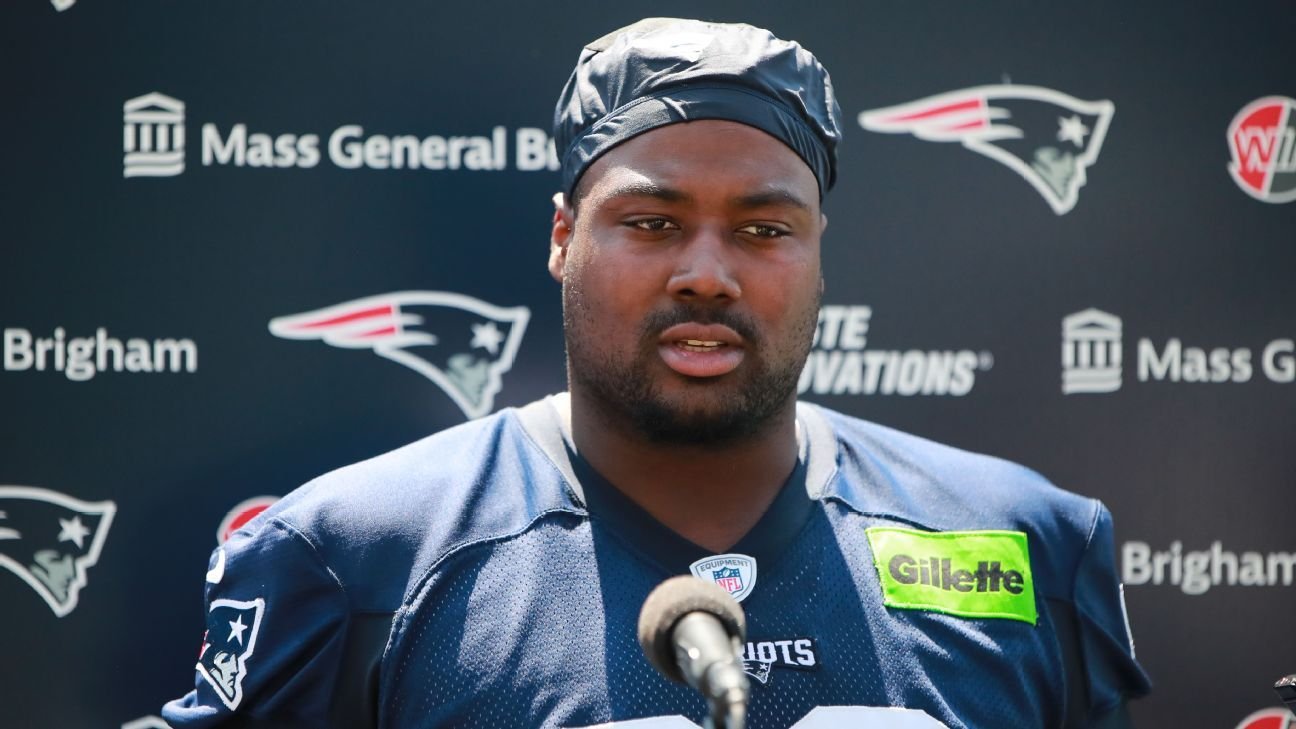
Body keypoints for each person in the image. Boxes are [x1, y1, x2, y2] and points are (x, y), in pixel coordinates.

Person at [163, 17, 1150, 729]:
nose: (707, 274)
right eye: (652, 222)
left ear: (820, 251)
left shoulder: (1029, 545)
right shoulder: (356, 557)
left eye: (764, 230)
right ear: (563, 237)